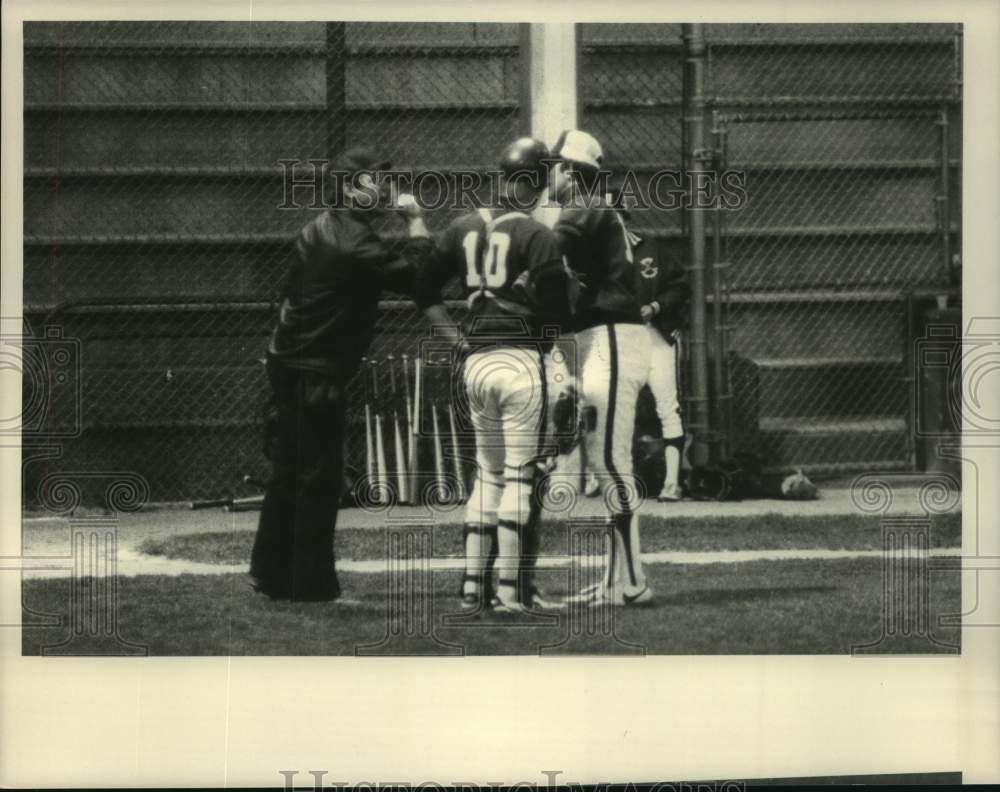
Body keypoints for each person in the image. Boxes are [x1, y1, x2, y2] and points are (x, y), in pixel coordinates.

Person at [249, 147, 432, 602]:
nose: (388, 187)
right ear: (352, 188)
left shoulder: (318, 227)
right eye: (377, 180)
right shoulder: (355, 243)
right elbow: (421, 279)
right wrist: (414, 223)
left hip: (289, 362)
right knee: (320, 478)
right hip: (317, 371)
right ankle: (311, 586)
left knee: (288, 472)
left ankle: (270, 574)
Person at [413, 137, 573, 613]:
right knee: (521, 478)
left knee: (487, 474)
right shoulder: (537, 234)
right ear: (538, 180)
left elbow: (423, 291)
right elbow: (556, 313)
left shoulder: (461, 225)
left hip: (476, 360)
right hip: (520, 359)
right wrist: (543, 342)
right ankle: (508, 592)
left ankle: (470, 588)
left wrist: (457, 340)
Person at [549, 129, 654, 607]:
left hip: (612, 338)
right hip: (607, 337)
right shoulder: (599, 207)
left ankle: (633, 583)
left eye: (554, 165)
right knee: (606, 461)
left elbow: (550, 254)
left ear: (571, 171)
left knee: (612, 463)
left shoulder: (585, 206)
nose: (548, 173)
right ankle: (616, 579)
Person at [610, 186, 690, 502]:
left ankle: (673, 482)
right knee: (613, 409)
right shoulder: (596, 258)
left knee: (667, 405)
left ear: (624, 218)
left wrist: (656, 307)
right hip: (618, 341)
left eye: (615, 217)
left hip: (653, 336)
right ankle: (615, 480)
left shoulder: (649, 247)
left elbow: (680, 285)